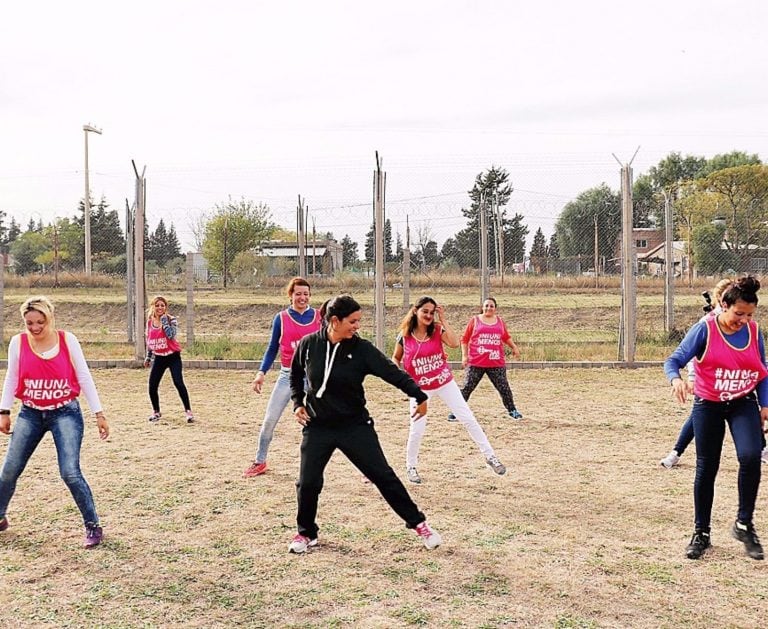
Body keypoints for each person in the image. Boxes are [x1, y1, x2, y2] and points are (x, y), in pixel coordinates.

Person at [288, 294, 441, 553]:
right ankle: (306, 533)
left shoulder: (361, 349)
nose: (357, 326)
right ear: (334, 321)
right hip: (318, 426)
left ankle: (419, 524)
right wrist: (297, 403)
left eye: (359, 321)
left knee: (383, 476)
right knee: (308, 482)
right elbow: (295, 375)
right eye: (353, 321)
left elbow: (391, 373)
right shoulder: (308, 344)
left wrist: (419, 394)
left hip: (354, 426)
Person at [665, 276, 768, 560]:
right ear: (723, 305)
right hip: (708, 404)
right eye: (738, 314)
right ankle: (701, 532)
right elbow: (673, 360)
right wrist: (676, 380)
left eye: (749, 315)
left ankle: (744, 524)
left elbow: (763, 370)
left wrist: (765, 403)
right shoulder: (705, 330)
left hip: (742, 402)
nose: (743, 320)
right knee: (706, 467)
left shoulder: (754, 332)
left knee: (750, 456)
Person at [0, 296, 110, 548]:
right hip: (30, 412)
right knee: (9, 470)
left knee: (70, 472)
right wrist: (3, 411)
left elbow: (83, 376)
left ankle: (93, 525)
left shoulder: (67, 340)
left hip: (65, 412)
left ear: (50, 318)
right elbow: (11, 377)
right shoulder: (18, 343)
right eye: (29, 323)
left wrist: (99, 414)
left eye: (40, 322)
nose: (35, 327)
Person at [392, 296, 507, 484]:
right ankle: (411, 466)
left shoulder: (437, 330)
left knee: (468, 418)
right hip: (420, 389)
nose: (429, 315)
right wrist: (400, 376)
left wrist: (443, 319)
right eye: (425, 311)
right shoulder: (405, 336)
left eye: (432, 312)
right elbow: (396, 358)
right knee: (417, 429)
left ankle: (490, 457)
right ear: (415, 311)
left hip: (444, 382)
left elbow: (454, 343)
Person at [244, 277, 322, 478]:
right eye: (298, 293)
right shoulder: (281, 318)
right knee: (269, 419)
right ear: (291, 295)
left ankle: (362, 467)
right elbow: (272, 348)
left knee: (329, 422)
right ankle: (260, 461)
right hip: (288, 375)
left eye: (305, 293)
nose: (302, 297)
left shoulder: (319, 317)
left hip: (313, 377)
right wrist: (261, 373)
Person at [448, 297, 522, 421]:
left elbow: (505, 336)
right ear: (482, 307)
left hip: (496, 362)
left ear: (495, 308)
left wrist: (514, 347)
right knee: (467, 387)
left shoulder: (500, 321)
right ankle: (456, 412)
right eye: (486, 306)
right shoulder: (475, 320)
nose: (489, 308)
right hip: (476, 362)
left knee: (504, 388)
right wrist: (464, 356)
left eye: (491, 306)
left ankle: (512, 410)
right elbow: (464, 339)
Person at [144, 295, 194, 423]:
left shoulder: (171, 320)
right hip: (159, 358)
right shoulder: (150, 322)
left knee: (178, 382)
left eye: (162, 305)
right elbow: (150, 341)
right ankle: (156, 411)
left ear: (166, 307)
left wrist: (164, 321)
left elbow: (171, 335)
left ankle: (188, 411)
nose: (160, 308)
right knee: (152, 385)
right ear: (153, 307)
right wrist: (148, 357)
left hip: (173, 356)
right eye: (157, 305)